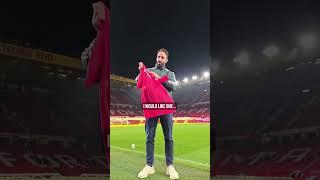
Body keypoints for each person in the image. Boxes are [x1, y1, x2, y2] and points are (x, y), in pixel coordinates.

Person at [136, 48, 179, 179]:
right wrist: (141, 72)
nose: (160, 59)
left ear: (166, 60)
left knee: (169, 137)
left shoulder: (169, 74)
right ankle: (149, 166)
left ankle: (170, 166)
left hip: (166, 107)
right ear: (156, 58)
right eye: (158, 57)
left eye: (162, 57)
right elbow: (138, 80)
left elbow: (173, 86)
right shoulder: (148, 71)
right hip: (151, 107)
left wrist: (159, 78)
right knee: (149, 137)